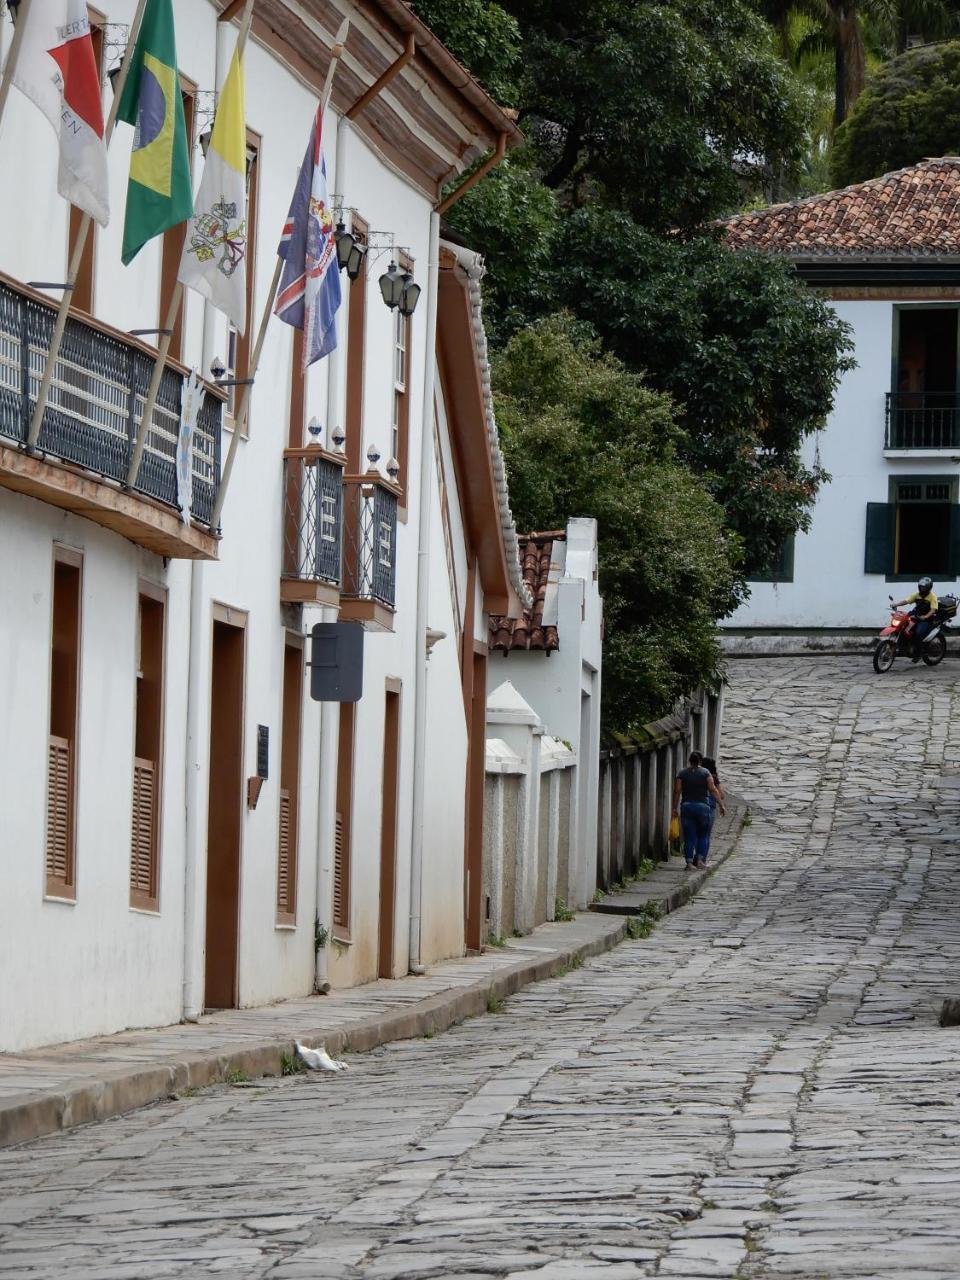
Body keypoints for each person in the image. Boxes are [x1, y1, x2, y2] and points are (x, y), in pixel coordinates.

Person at [672, 750, 725, 872]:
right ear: (700, 761)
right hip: (703, 807)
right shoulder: (705, 772)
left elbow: (677, 791)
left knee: (689, 837)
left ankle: (689, 863)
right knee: (703, 835)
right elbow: (712, 789)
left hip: (687, 806)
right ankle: (700, 861)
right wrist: (721, 805)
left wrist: (674, 808)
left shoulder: (682, 773)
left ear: (690, 761)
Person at [892, 576, 938, 662]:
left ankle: (919, 653)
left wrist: (925, 617)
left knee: (918, 633)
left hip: (926, 619)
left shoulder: (932, 597)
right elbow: (906, 601)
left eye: (924, 587)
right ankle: (902, 647)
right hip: (916, 615)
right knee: (902, 626)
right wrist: (896, 604)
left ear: (929, 588)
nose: (922, 588)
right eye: (921, 587)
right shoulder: (916, 595)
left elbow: (933, 610)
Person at [702, 753, 725, 834]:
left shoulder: (696, 774)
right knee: (705, 835)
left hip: (694, 805)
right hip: (709, 808)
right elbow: (721, 795)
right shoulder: (713, 778)